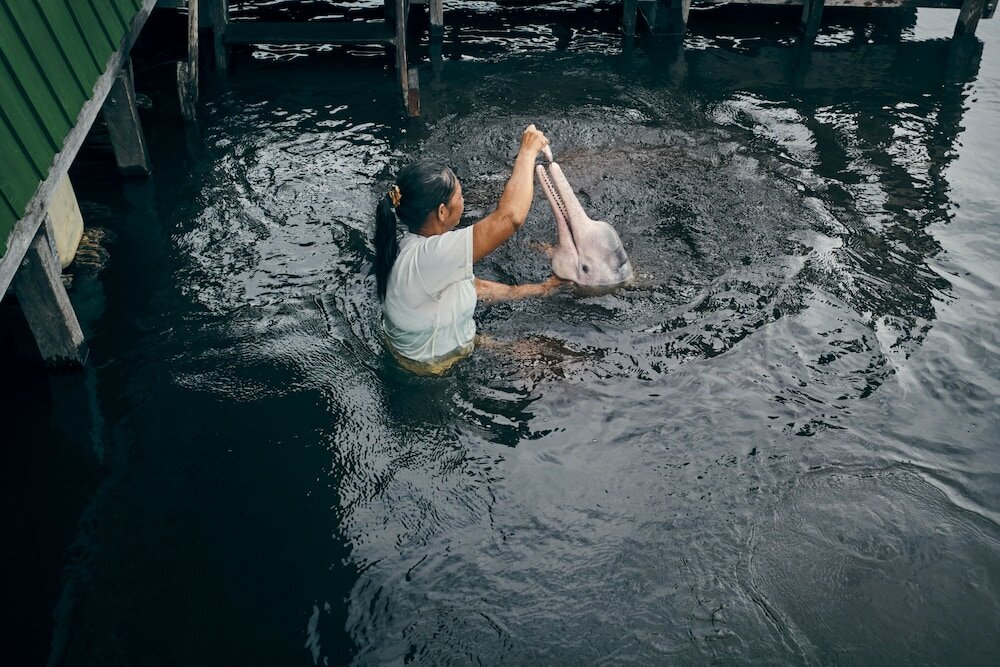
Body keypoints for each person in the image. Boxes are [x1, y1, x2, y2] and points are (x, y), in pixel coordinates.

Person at [374, 124, 563, 373]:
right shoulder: (432, 256)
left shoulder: (409, 246)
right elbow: (509, 218)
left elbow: (472, 286)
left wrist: (537, 290)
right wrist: (527, 152)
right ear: (442, 212)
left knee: (542, 352)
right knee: (554, 363)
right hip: (432, 371)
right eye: (460, 196)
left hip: (447, 345)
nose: (464, 201)